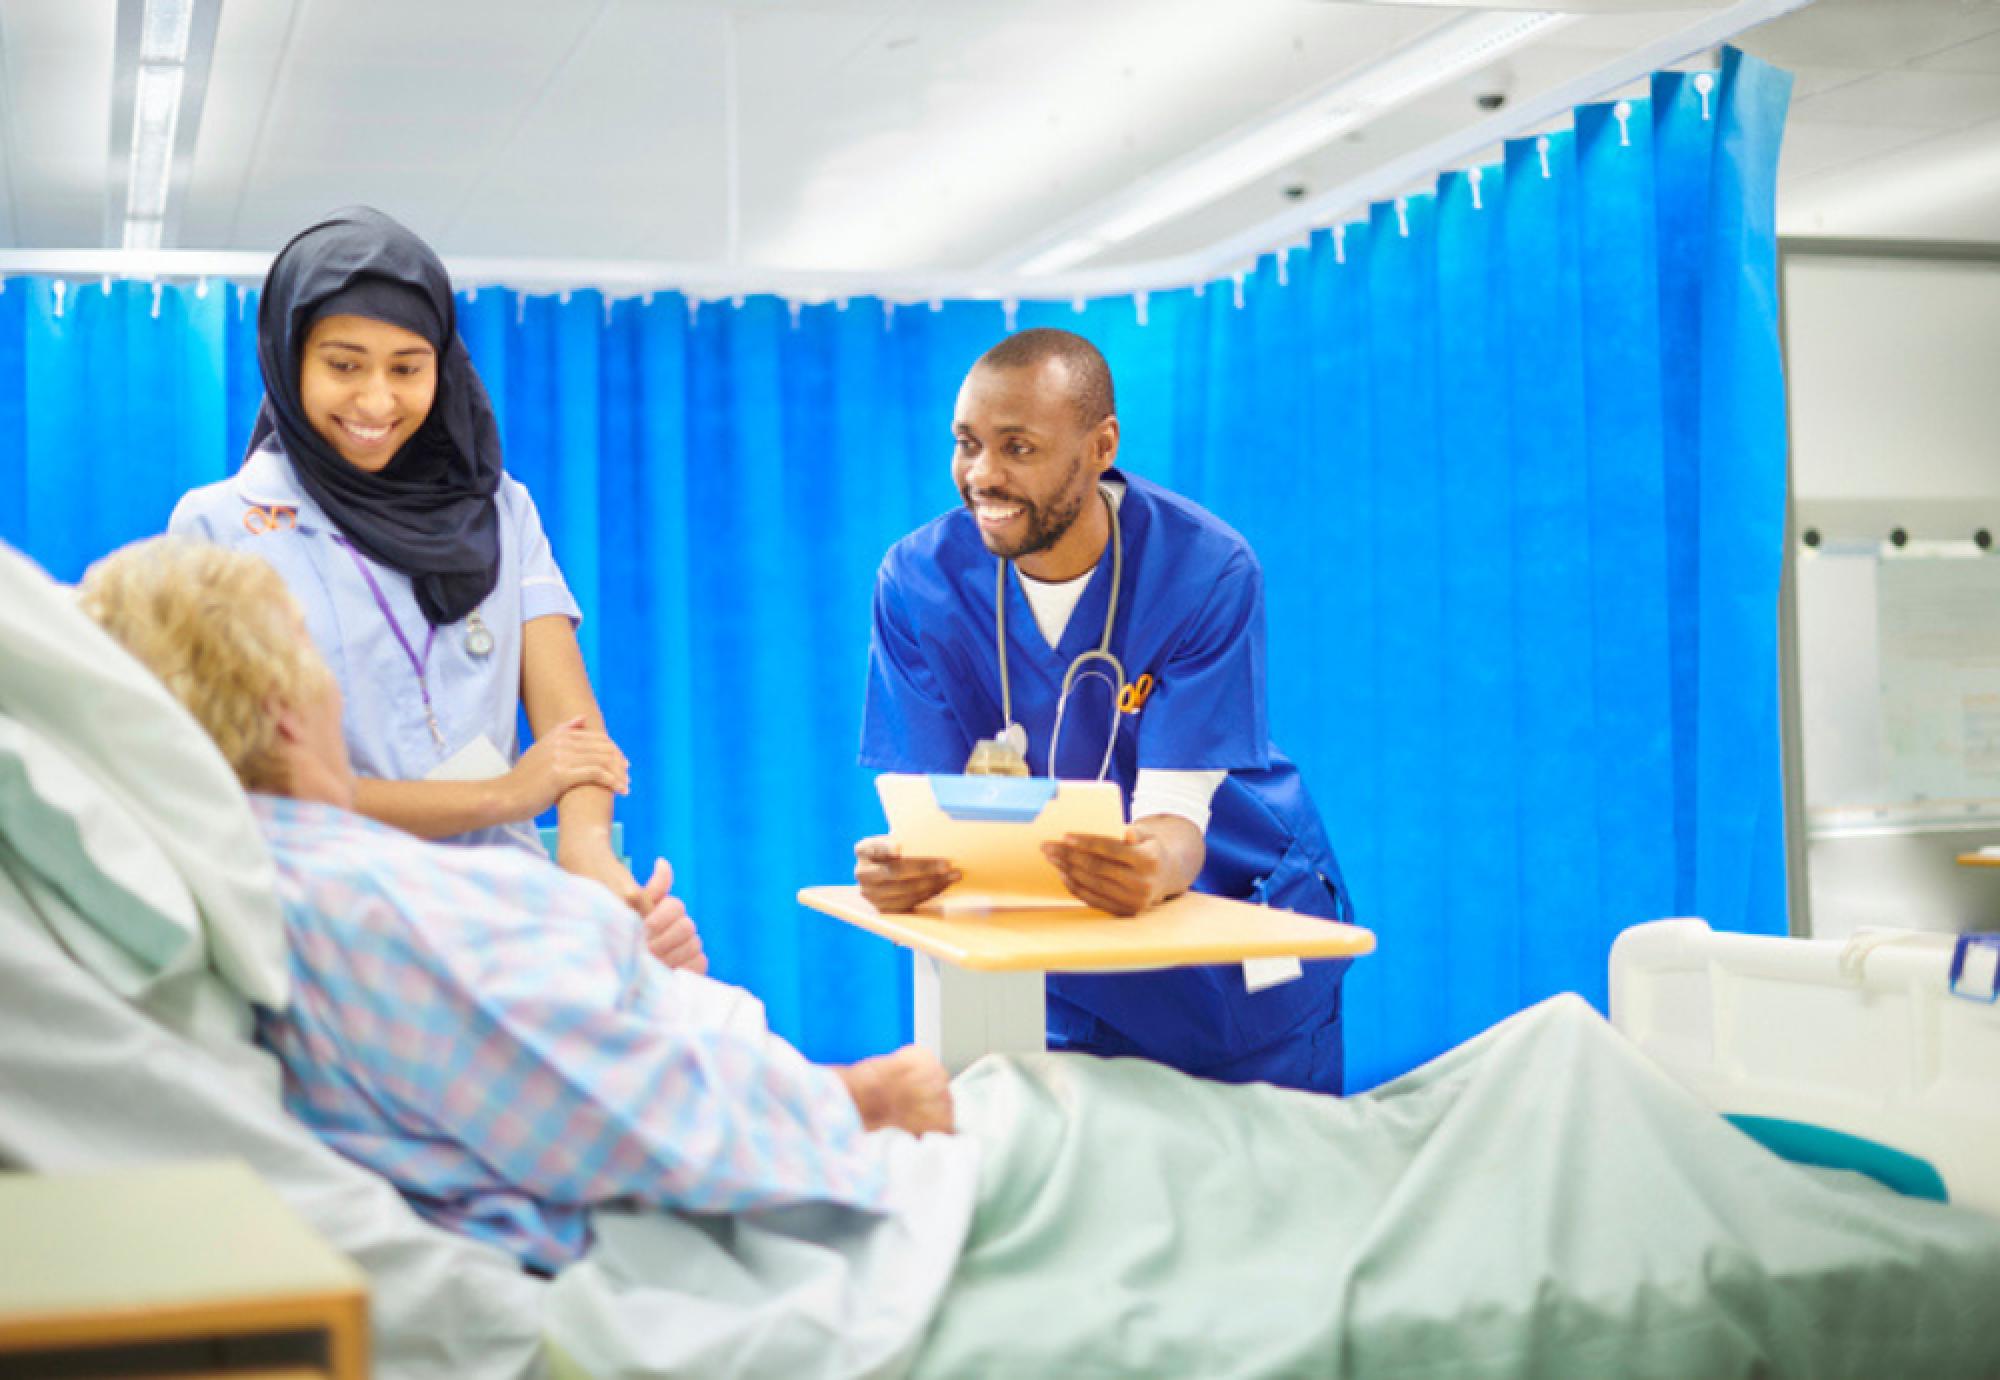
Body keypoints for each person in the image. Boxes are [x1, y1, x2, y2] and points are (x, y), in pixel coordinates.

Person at [76, 537, 952, 1276]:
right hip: (764, 1195)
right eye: (317, 657)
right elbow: (607, 1116)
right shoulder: (346, 899)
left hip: (709, 1071)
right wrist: (865, 1096)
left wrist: (619, 946)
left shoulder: (276, 870)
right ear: (282, 707)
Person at [855, 328, 1356, 1094]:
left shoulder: (1204, 569)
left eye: (1018, 448)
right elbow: (934, 817)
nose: (982, 475)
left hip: (1236, 929)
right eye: (967, 443)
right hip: (1069, 956)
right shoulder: (918, 583)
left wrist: (1147, 865)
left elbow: (1175, 824)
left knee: (1265, 1195)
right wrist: (908, 870)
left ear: (1100, 445)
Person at [166, 207, 681, 951]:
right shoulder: (220, 527)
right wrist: (504, 793)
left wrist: (594, 862)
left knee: (697, 1000)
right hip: (332, 931)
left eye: (407, 368)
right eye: (344, 365)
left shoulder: (500, 508)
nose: (377, 402)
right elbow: (255, 792)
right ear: (288, 358)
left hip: (506, 918)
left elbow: (575, 740)